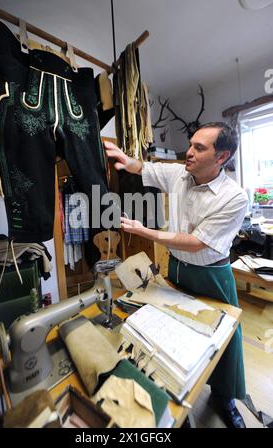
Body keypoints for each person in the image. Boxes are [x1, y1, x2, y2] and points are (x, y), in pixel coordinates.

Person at [103, 122, 248, 429]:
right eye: (191, 144)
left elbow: (198, 243)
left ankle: (225, 398)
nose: (189, 152)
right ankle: (179, 380)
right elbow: (143, 167)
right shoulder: (179, 173)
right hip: (177, 267)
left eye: (199, 147)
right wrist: (123, 157)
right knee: (176, 326)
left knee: (225, 336)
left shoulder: (234, 197)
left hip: (211, 273)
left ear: (221, 157)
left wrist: (147, 233)